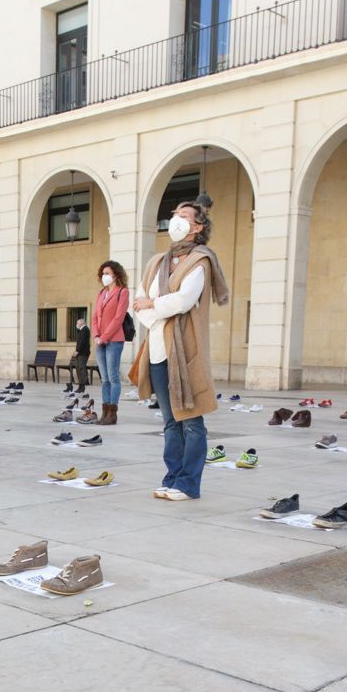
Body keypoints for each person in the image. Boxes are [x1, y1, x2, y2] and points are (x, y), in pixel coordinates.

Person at [130, 194, 229, 501]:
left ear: (198, 227)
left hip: (185, 351)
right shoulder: (155, 263)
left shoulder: (200, 260)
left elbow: (185, 300)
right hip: (158, 350)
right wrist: (156, 308)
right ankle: (172, 477)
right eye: (175, 213)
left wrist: (153, 306)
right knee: (171, 421)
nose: (177, 218)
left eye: (185, 215)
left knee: (191, 419)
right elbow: (138, 303)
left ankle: (188, 483)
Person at [90, 261, 131, 426]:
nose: (104, 276)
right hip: (100, 341)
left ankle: (112, 414)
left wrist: (104, 337)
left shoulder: (123, 292)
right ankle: (104, 413)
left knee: (113, 377)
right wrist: (96, 336)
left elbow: (118, 318)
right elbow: (94, 317)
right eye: (103, 273)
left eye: (107, 273)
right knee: (104, 379)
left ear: (116, 275)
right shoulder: (101, 293)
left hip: (114, 340)